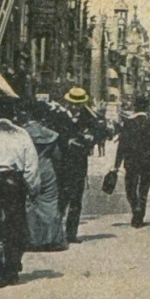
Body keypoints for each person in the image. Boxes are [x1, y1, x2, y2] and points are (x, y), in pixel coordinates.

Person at [0, 97, 41, 288]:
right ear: (12, 113)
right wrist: (33, 189)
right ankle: (12, 270)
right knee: (15, 226)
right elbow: (31, 165)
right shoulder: (20, 134)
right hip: (12, 183)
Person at [57, 87, 101, 244]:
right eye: (73, 104)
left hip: (79, 164)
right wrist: (67, 141)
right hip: (62, 163)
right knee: (62, 199)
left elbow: (99, 131)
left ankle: (71, 233)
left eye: (79, 104)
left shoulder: (87, 117)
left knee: (76, 200)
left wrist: (91, 138)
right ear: (68, 102)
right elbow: (54, 135)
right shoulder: (60, 116)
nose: (75, 107)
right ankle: (56, 233)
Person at [114, 96, 150, 228]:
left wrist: (116, 164)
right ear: (147, 108)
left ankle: (135, 207)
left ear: (135, 107)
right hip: (147, 162)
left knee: (130, 187)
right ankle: (140, 215)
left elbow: (122, 146)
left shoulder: (128, 124)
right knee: (144, 188)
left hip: (131, 162)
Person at [23, 102, 68, 251]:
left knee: (29, 203)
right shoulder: (49, 133)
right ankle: (51, 240)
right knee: (50, 203)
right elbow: (58, 156)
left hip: (28, 169)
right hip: (47, 169)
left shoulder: (23, 132)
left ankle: (32, 239)